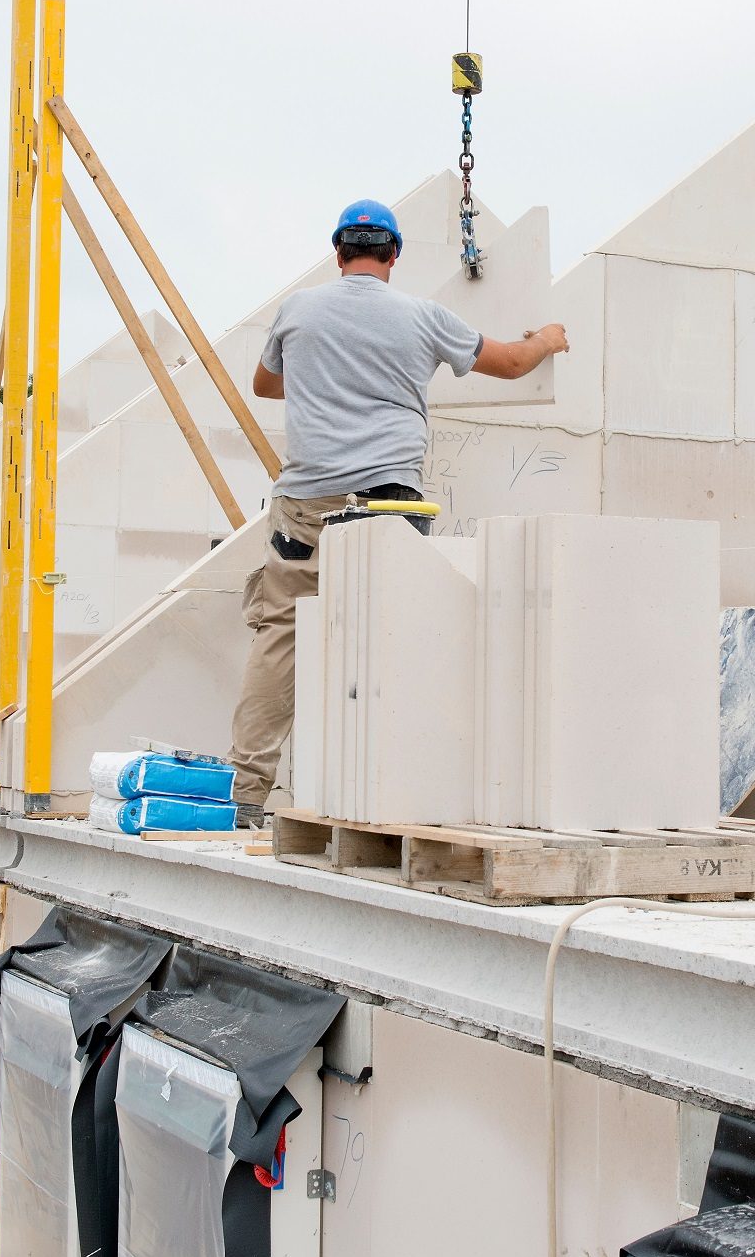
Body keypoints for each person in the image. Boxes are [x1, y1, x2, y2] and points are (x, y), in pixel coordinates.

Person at [227, 198, 569, 820]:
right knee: (396, 634)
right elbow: (514, 365)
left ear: (338, 253)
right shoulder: (422, 317)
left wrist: (319, 370)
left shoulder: (299, 310)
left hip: (307, 506)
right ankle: (397, 794)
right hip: (391, 503)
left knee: (281, 634)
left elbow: (265, 384)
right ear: (394, 255)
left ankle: (249, 795)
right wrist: (547, 338)